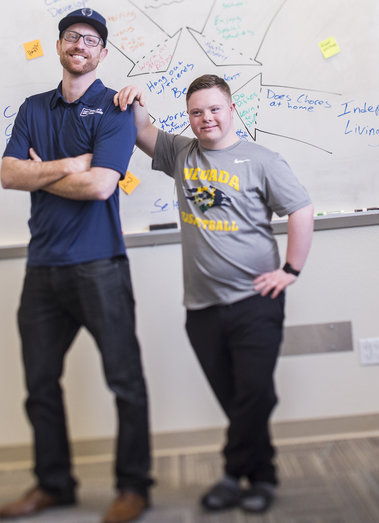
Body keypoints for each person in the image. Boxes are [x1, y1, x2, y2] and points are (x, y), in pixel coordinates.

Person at [115, 74, 314, 514]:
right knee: (237, 398)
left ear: (231, 109)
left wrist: (291, 270)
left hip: (256, 301)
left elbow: (300, 208)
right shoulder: (181, 154)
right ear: (189, 117)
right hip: (201, 308)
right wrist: (136, 100)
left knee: (256, 392)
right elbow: (142, 131)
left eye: (214, 109)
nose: (206, 118)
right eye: (196, 112)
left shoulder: (263, 160)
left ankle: (232, 475)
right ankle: (262, 477)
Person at [0, 9, 153, 523]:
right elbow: (7, 175)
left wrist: (38, 170)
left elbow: (103, 186)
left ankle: (133, 487)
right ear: (59, 46)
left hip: (99, 265)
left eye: (90, 39)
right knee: (39, 384)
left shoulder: (115, 107)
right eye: (71, 36)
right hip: (42, 267)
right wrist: (73, 164)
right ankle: (53, 485)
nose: (79, 44)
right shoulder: (31, 108)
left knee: (124, 381)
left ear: (103, 53)